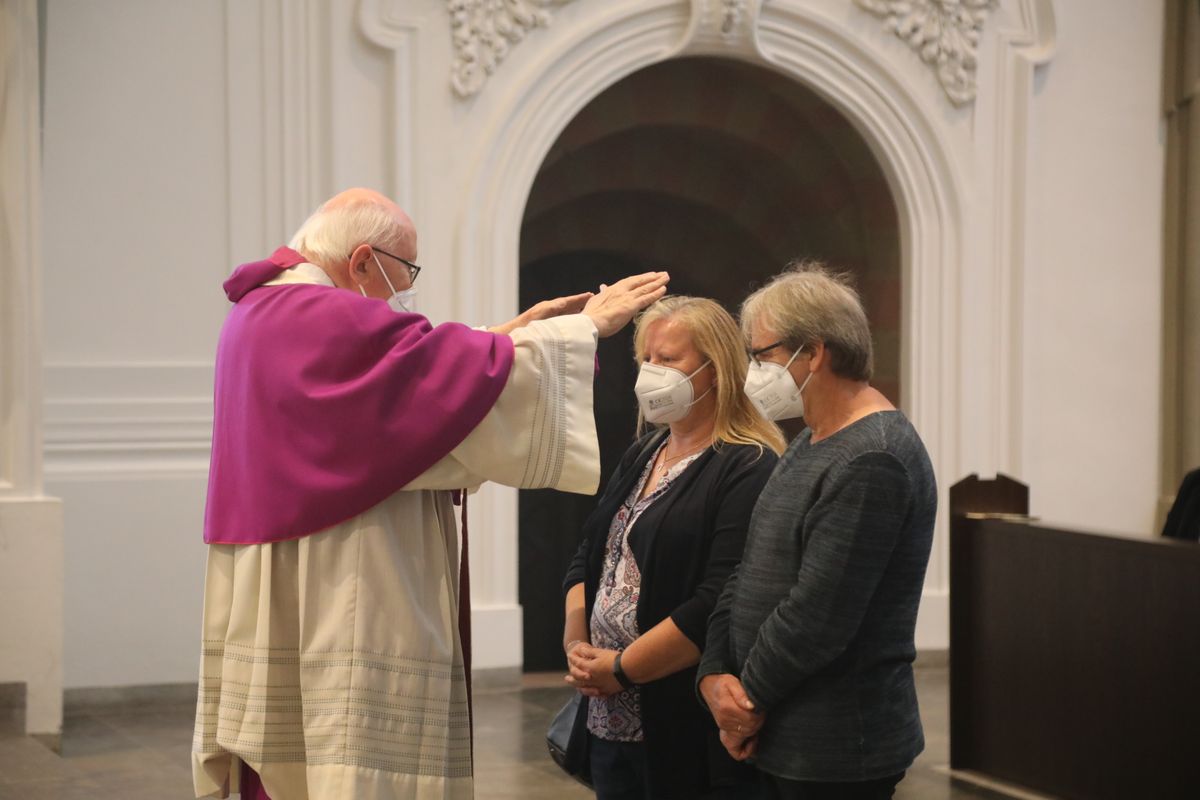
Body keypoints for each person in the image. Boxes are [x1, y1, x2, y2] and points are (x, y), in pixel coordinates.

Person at [191, 187, 668, 800]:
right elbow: (413, 381)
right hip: (342, 575)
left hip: (289, 565)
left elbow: (400, 384)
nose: (406, 289)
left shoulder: (268, 311)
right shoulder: (319, 314)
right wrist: (583, 330)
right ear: (362, 260)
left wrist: (512, 334)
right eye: (405, 270)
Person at [697, 262, 937, 800]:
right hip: (783, 729)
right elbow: (747, 565)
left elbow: (820, 616)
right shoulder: (810, 439)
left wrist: (746, 702)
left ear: (814, 353)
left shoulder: (875, 457)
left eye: (762, 355)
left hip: (838, 744)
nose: (753, 370)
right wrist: (714, 673)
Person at [561, 296, 784, 800]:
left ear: (714, 370)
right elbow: (592, 551)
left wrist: (622, 669)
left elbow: (719, 597)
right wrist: (576, 645)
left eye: (670, 360)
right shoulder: (646, 450)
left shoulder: (746, 464)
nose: (652, 372)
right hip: (607, 717)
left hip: (676, 718)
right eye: (647, 360)